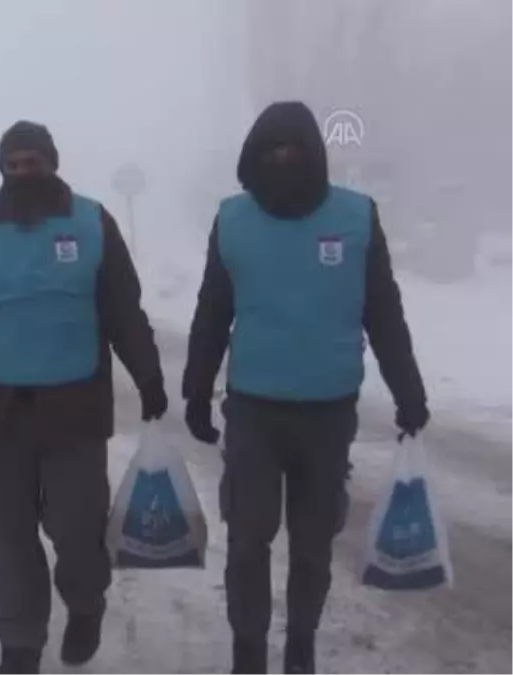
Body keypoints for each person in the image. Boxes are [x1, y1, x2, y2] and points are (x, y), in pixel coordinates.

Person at [0, 121, 167, 675]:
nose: (24, 173)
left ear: (54, 162)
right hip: (0, 416)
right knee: (7, 535)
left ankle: (86, 603)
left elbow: (123, 308)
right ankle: (20, 642)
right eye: (13, 164)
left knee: (77, 531)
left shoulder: (93, 223)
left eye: (34, 162)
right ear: (1, 170)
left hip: (76, 413)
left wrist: (148, 374)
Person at [181, 101, 429, 675]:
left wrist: (408, 390)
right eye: (271, 149)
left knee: (313, 544)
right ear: (253, 155)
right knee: (248, 537)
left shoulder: (356, 217)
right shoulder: (233, 220)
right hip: (253, 412)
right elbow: (212, 310)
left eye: (293, 148)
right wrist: (196, 388)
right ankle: (249, 650)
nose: (282, 158)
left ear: (315, 153)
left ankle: (301, 646)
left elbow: (383, 313)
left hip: (328, 413)